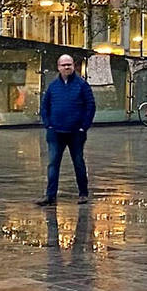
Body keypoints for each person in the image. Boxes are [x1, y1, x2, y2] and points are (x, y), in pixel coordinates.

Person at [35, 53, 96, 207]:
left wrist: (84, 126)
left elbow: (90, 106)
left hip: (76, 132)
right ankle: (50, 196)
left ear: (73, 66)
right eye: (63, 65)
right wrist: (48, 124)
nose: (66, 67)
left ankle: (83, 194)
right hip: (55, 132)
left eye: (69, 64)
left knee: (78, 162)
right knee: (53, 164)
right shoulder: (53, 86)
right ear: (58, 67)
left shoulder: (82, 85)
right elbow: (45, 106)